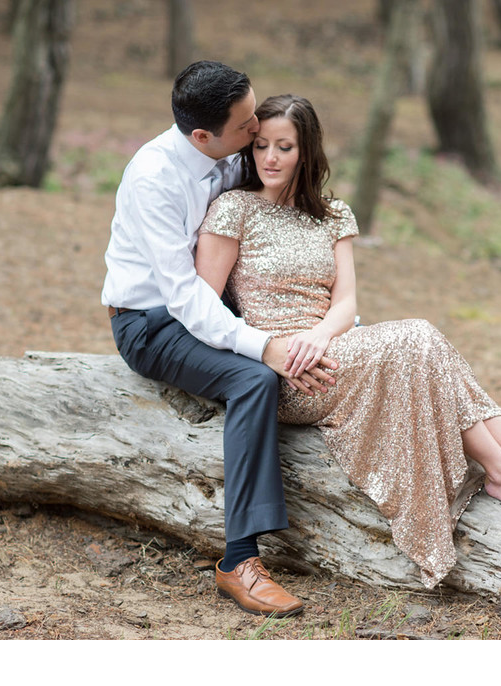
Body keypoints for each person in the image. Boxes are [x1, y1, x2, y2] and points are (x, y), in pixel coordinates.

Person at [195, 94, 501, 589]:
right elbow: (206, 306)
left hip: (328, 345)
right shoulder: (232, 209)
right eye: (261, 145)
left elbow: (345, 303)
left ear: (305, 151)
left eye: (284, 147)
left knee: (428, 353)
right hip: (286, 371)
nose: (269, 157)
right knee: (418, 338)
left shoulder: (333, 215)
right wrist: (276, 349)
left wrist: (318, 335)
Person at [101, 62, 334, 618]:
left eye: (254, 113)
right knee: (254, 379)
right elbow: (182, 297)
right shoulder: (154, 178)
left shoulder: (230, 152)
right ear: (201, 135)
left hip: (215, 307)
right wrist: (265, 347)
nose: (257, 130)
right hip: (150, 321)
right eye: (245, 124)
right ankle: (239, 560)